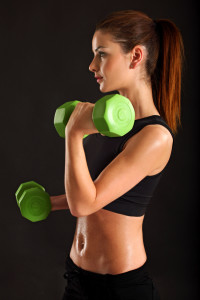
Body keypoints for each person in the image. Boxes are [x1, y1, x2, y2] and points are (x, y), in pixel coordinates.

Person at [51, 9, 185, 300]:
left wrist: (74, 134)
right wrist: (50, 204)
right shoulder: (110, 123)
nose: (91, 65)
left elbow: (84, 204)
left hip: (119, 288)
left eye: (101, 54)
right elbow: (98, 193)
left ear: (135, 57)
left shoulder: (155, 136)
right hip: (76, 276)